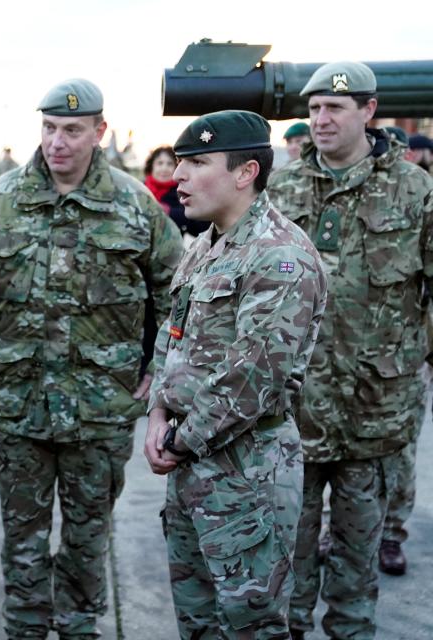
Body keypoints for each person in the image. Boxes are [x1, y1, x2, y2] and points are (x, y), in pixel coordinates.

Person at [0, 78, 183, 640]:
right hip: (16, 403)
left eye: (72, 130)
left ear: (99, 132)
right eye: (49, 128)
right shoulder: (1, 200)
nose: (58, 142)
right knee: (22, 534)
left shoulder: (133, 205)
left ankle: (79, 627)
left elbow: (176, 291)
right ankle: (25, 628)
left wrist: (161, 363)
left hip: (99, 408)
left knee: (86, 534)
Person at [144, 110, 327, 639]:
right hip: (188, 467)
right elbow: (170, 338)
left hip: (246, 474)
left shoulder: (280, 254)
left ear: (246, 172)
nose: (178, 176)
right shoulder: (205, 246)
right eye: (179, 163)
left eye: (196, 162)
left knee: (252, 624)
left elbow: (254, 377)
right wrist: (157, 413)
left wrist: (180, 439)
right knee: (197, 620)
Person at [267, 61, 433, 639]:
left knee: (357, 565)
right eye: (313, 109)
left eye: (335, 108)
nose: (321, 119)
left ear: (368, 111)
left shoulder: (415, 191)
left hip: (374, 413)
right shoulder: (279, 190)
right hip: (294, 410)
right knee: (288, 553)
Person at [143, 145, 209, 237]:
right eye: (160, 163)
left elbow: (200, 226)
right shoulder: (140, 189)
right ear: (151, 166)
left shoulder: (183, 191)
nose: (164, 168)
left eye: (169, 164)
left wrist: (169, 211)